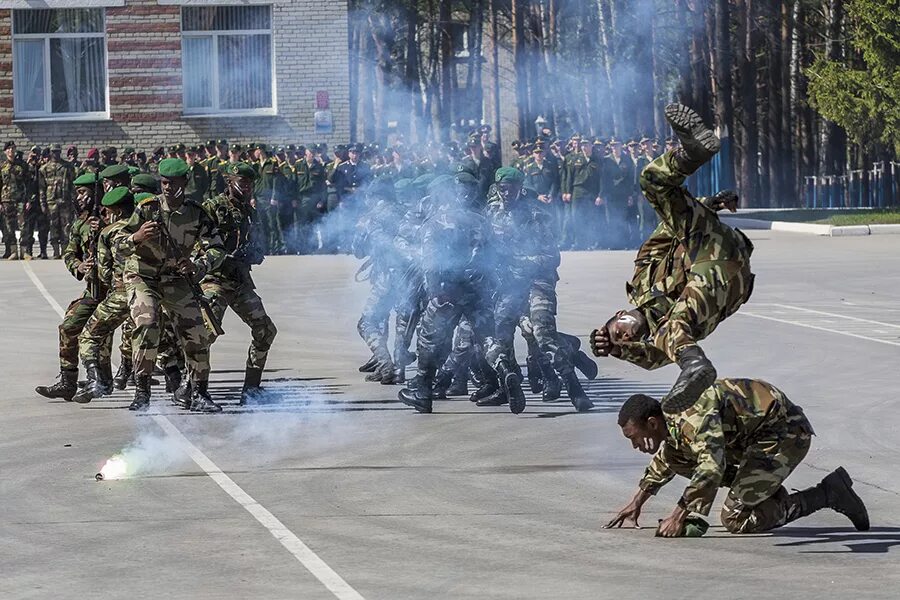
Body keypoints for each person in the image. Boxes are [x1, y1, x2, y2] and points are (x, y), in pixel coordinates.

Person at [590, 104, 755, 414]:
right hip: (721, 284)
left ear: (619, 313)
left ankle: (693, 152)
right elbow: (654, 358)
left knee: (651, 181)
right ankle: (694, 367)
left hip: (710, 245)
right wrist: (615, 349)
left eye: (618, 329)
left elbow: (670, 225)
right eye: (625, 339)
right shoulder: (662, 333)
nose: (625, 333)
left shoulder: (642, 273)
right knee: (670, 329)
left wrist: (710, 203)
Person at [606, 379, 870, 536]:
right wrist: (637, 502)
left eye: (634, 437)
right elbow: (668, 458)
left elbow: (710, 465)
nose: (635, 445)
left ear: (652, 423)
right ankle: (762, 490)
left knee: (735, 519)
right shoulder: (671, 417)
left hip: (785, 434)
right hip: (754, 439)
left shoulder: (691, 419)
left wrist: (679, 515)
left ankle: (828, 493)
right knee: (679, 457)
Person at [483, 167, 593, 413]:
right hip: (508, 284)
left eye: (511, 186)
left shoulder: (536, 214)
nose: (506, 192)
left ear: (520, 187)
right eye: (502, 187)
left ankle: (574, 387)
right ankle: (510, 384)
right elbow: (485, 246)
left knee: (543, 334)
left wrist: (517, 261)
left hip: (537, 282)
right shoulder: (491, 212)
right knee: (500, 331)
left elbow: (551, 257)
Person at [119, 158, 225, 412]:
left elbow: (217, 249)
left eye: (173, 183)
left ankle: (199, 393)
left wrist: (198, 265)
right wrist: (136, 237)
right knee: (148, 322)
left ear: (184, 183)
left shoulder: (197, 213)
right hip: (143, 277)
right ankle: (142, 391)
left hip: (177, 279)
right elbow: (118, 244)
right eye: (164, 183)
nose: (167, 188)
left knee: (197, 333)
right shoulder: (147, 209)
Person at [397, 174, 497, 414]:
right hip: (475, 289)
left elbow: (431, 261)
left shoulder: (437, 221)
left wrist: (434, 291)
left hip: (447, 289)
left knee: (429, 338)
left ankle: (422, 390)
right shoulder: (478, 219)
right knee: (484, 338)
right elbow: (492, 255)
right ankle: (502, 377)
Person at [200, 162, 277, 404]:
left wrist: (255, 254)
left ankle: (251, 390)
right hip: (214, 279)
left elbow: (257, 245)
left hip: (240, 281)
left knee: (265, 330)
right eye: (243, 183)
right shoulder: (212, 207)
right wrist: (221, 255)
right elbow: (197, 240)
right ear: (230, 182)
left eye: (250, 184)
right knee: (204, 336)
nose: (247, 188)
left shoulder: (250, 212)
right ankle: (193, 389)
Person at [35, 173, 113, 401]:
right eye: (77, 193)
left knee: (102, 337)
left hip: (118, 289)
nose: (79, 198)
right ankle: (68, 382)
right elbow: (70, 253)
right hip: (94, 290)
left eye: (83, 192)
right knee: (69, 327)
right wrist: (80, 265)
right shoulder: (80, 224)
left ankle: (107, 381)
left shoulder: (116, 217)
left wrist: (106, 226)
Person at [72, 187, 137, 403]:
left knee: (89, 336)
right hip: (153, 294)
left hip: (121, 294)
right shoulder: (148, 227)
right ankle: (181, 387)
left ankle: (95, 380)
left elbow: (104, 272)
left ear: (116, 211)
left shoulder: (109, 232)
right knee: (163, 344)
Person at [39, 144, 74, 259]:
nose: (56, 154)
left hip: (65, 201)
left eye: (58, 151)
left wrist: (74, 201)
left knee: (66, 226)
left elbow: (72, 185)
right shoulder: (44, 169)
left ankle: (65, 251)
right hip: (51, 202)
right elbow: (41, 188)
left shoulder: (67, 166)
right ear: (50, 153)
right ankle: (55, 252)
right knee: (53, 226)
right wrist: (43, 204)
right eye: (53, 151)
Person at [1, 141, 26, 260]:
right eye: (9, 149)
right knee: (9, 226)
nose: (11, 151)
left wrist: (28, 200)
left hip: (20, 199)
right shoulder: (2, 166)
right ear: (5, 151)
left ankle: (24, 251)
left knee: (23, 225)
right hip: (6, 200)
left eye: (13, 148)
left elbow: (28, 183)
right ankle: (13, 251)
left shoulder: (21, 165)